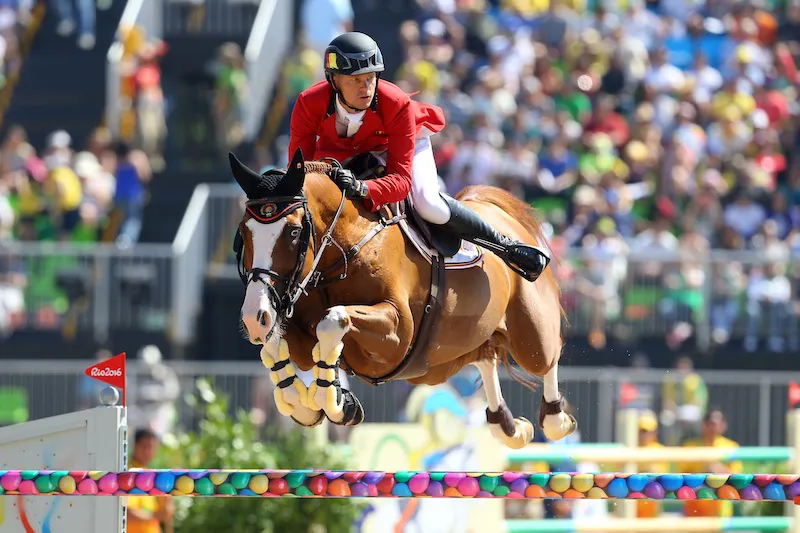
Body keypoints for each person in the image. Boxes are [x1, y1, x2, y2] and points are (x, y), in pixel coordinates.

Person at [287, 32, 550, 282]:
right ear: (334, 81)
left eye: (370, 78)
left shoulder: (395, 102)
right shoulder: (308, 102)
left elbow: (401, 182)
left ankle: (505, 245)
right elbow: (297, 171)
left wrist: (362, 188)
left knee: (426, 202)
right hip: (342, 151)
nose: (366, 87)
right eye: (355, 80)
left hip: (397, 142)